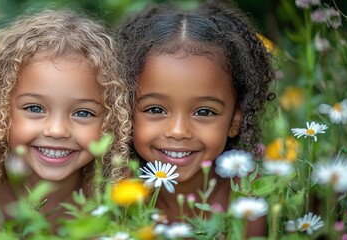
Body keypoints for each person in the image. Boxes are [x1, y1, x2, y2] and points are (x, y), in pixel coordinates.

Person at [0, 9, 130, 228]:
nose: (56, 130)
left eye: (83, 113)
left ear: (112, 121)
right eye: (35, 108)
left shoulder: (120, 200)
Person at [116, 1, 275, 237]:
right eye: (156, 109)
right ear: (124, 110)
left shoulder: (248, 204)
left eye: (204, 112)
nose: (178, 131)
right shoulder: (115, 196)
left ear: (235, 121)